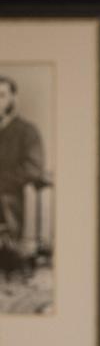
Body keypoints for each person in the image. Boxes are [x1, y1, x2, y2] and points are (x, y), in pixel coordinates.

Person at [0, 74, 45, 255]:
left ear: (13, 99)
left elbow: (33, 168)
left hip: (10, 196)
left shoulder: (27, 131)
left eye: (1, 95)